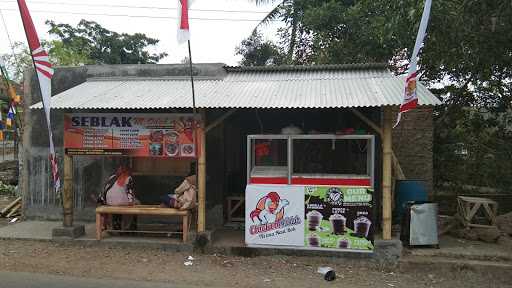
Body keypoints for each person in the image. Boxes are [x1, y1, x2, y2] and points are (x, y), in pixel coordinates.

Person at [99, 165, 138, 231]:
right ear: (127, 171)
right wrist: (131, 202)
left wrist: (104, 201)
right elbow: (130, 191)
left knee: (118, 204)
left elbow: (105, 189)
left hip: (109, 202)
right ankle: (130, 227)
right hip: (120, 202)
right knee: (137, 203)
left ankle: (115, 225)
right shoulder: (128, 177)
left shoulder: (112, 177)